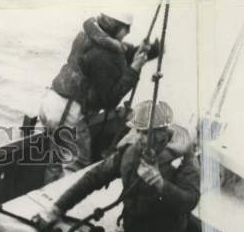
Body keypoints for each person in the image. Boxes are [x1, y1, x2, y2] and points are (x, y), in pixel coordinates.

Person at [38, 100, 202, 232]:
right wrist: (56, 208)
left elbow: (190, 200)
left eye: (145, 133)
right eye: (138, 132)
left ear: (162, 133)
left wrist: (162, 185)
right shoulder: (130, 152)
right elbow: (94, 178)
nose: (139, 138)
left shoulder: (185, 162)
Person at [39, 11, 160, 183]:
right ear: (116, 27)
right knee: (76, 164)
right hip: (68, 112)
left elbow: (111, 52)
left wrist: (146, 52)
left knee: (56, 160)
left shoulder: (86, 35)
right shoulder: (106, 55)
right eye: (126, 29)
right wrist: (134, 69)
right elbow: (110, 99)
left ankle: (48, 196)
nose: (128, 33)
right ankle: (60, 206)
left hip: (51, 101)